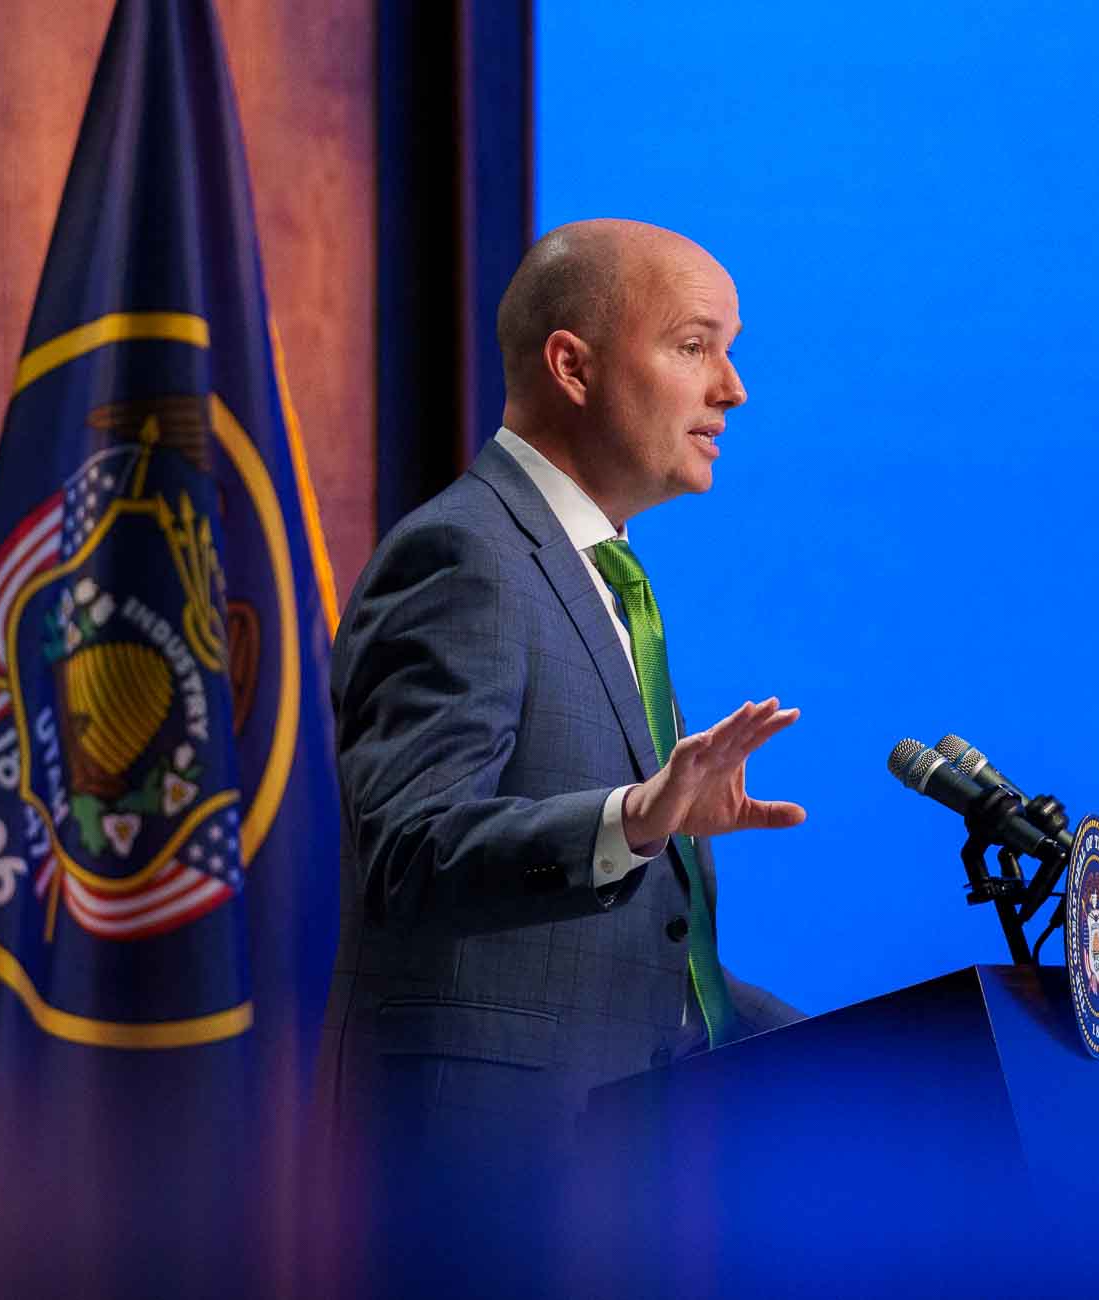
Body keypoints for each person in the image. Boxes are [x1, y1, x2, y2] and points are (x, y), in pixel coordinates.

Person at [317, 220, 808, 1256]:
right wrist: (633, 817)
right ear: (572, 365)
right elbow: (410, 850)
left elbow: (637, 967)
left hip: (624, 1191)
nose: (733, 390)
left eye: (733, 349)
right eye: (694, 345)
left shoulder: (609, 577)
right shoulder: (464, 557)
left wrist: (847, 1068)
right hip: (487, 1192)